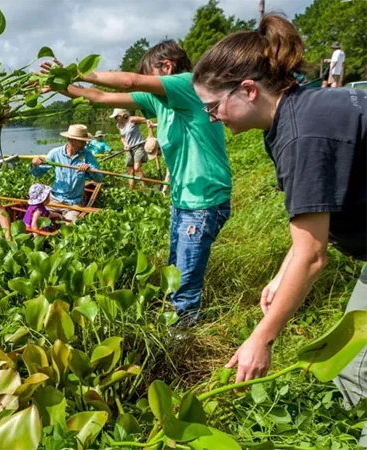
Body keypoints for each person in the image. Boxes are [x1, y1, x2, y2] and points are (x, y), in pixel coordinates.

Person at [192, 14, 367, 436]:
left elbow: (312, 257)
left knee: (360, 371)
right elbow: (314, 222)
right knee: (352, 361)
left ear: (248, 90)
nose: (213, 118)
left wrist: (260, 340)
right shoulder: (300, 109)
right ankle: (342, 429)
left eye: (213, 107)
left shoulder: (301, 134)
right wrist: (281, 271)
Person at [40, 40, 232, 324]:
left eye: (148, 77)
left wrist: (75, 72)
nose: (143, 85)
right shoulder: (157, 101)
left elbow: (129, 81)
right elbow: (100, 97)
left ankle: (185, 331)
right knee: (176, 268)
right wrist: (63, 87)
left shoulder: (187, 84)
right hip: (184, 199)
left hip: (205, 198)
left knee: (187, 276)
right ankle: (177, 317)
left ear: (166, 67)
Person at [30, 124, 103, 222]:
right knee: (38, 218)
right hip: (54, 200)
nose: (85, 144)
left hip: (74, 203)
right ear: (71, 140)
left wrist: (89, 170)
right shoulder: (55, 153)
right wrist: (34, 165)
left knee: (68, 225)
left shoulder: (87, 156)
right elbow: (37, 173)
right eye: (82, 141)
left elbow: (99, 179)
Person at [111, 109, 150, 189]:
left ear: (122, 115)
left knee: (137, 168)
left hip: (139, 146)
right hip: (129, 149)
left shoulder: (132, 119)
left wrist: (150, 135)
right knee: (130, 170)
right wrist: (125, 145)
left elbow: (148, 121)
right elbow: (122, 137)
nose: (115, 119)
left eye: (116, 117)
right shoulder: (118, 125)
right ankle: (131, 189)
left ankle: (145, 188)